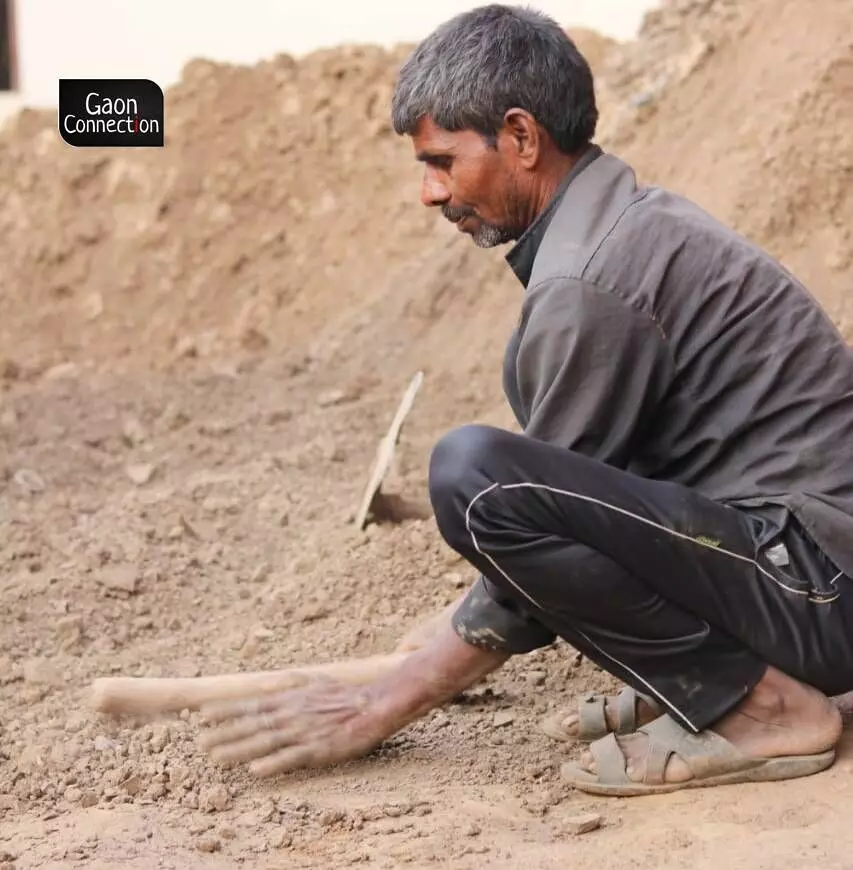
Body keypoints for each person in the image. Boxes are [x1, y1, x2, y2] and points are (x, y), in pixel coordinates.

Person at [197, 4, 853, 795]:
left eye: (442, 160)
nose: (430, 193)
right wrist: (453, 628)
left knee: (474, 477)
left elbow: (533, 508)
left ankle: (760, 708)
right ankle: (715, 681)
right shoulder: (619, 228)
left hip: (814, 589)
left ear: (519, 136)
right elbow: (587, 501)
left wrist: (391, 697)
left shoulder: (591, 279)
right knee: (506, 489)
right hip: (801, 567)